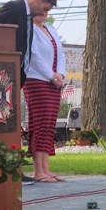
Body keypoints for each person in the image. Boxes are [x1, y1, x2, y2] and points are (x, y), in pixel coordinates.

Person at [22, 10, 67, 182]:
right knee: (40, 124)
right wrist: (51, 76)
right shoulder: (29, 29)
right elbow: (34, 56)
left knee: (49, 124)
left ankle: (46, 169)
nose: (44, 14)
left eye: (47, 10)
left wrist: (60, 75)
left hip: (54, 82)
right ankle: (38, 171)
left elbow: (60, 54)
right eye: (41, 10)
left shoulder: (51, 29)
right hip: (36, 80)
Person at [0, 0, 58, 86]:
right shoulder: (13, 8)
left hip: (17, 77)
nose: (44, 13)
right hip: (2, 75)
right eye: (45, 9)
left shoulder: (29, 18)